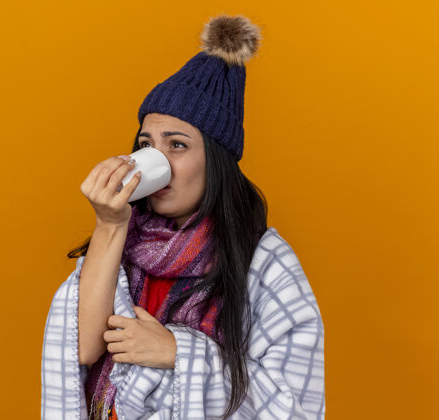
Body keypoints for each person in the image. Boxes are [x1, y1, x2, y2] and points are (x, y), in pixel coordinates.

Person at [41, 14, 325, 420]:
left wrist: (177, 352)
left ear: (215, 160)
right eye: (147, 144)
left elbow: (293, 405)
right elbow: (80, 351)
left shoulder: (264, 261)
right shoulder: (126, 240)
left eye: (177, 145)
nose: (157, 159)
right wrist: (110, 224)